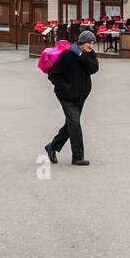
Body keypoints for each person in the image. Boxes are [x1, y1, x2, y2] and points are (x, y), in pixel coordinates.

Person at [43, 30, 100, 167]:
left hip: (81, 96)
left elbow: (94, 68)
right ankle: (78, 157)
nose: (91, 46)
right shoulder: (66, 54)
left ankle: (52, 146)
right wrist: (65, 88)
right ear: (81, 43)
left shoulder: (88, 54)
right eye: (88, 43)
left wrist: (81, 55)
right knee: (74, 124)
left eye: (92, 43)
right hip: (66, 96)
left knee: (71, 124)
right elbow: (54, 75)